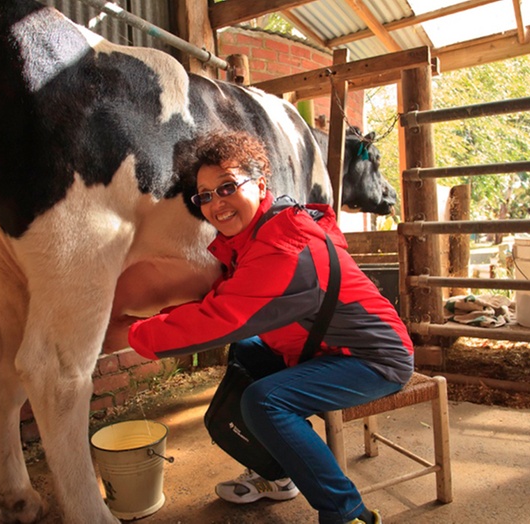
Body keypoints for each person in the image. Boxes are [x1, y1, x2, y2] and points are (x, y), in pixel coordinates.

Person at [128, 130, 414, 524]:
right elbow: (231, 307)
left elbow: (220, 318)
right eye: (205, 195)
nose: (216, 204)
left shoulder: (284, 246)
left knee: (264, 401)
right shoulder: (260, 234)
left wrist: (133, 334)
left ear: (260, 184)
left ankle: (346, 512)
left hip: (375, 360)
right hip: (323, 348)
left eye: (227, 187)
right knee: (246, 350)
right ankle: (277, 474)